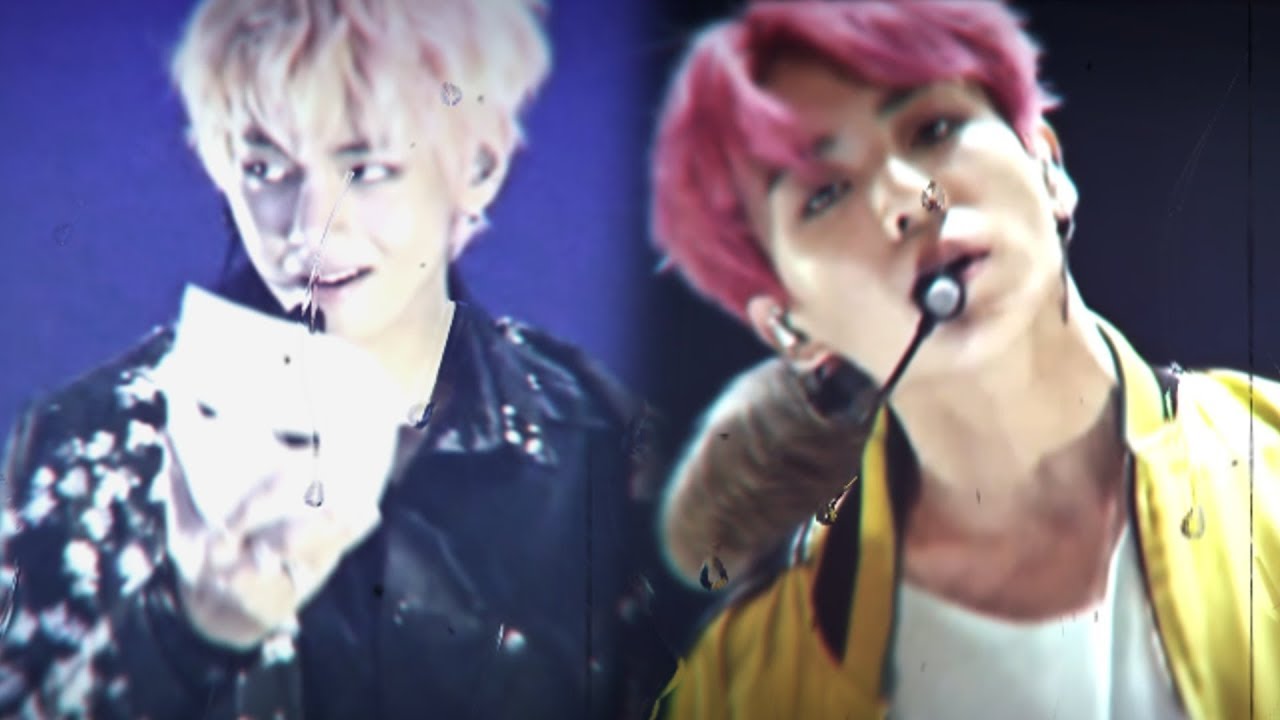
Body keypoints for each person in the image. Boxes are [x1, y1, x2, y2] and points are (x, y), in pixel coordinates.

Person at [0, 1, 673, 717]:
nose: (311, 226)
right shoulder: (85, 445)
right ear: (218, 166)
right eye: (265, 166)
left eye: (367, 167)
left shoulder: (603, 449)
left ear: (478, 165)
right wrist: (186, 633)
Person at [643, 1, 1280, 718]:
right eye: (825, 194)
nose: (908, 199)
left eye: (934, 129)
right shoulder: (739, 688)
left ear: (1046, 163)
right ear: (790, 327)